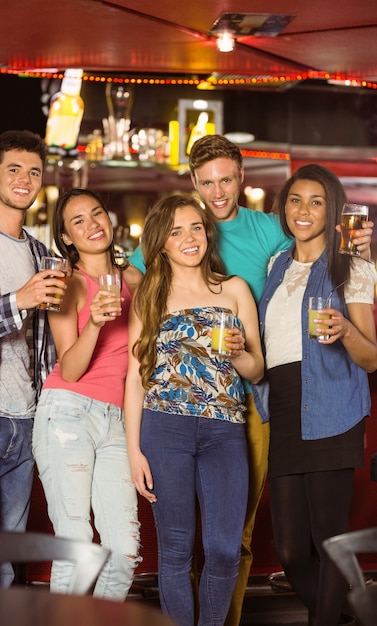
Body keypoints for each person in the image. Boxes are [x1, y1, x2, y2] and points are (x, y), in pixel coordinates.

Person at [129, 134, 373, 625]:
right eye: (207, 182)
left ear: (242, 177)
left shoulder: (275, 239)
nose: (218, 192)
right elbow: (136, 285)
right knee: (257, 545)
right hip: (258, 405)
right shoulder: (263, 263)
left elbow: (325, 251)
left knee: (233, 540)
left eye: (226, 179)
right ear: (194, 183)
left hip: (260, 401)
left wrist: (360, 243)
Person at [124, 193, 264, 626]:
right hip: (164, 429)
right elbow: (134, 378)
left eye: (196, 227)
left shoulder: (235, 288)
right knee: (176, 548)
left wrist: (240, 353)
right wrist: (134, 452)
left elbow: (256, 371)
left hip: (225, 428)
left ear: (207, 233)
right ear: (161, 244)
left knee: (224, 547)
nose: (189, 238)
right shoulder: (150, 292)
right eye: (176, 231)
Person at [253, 164, 377, 626]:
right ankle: (354, 611)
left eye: (316, 201)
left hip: (333, 406)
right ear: (284, 207)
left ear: (333, 209)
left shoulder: (354, 264)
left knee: (329, 540)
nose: (303, 210)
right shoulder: (276, 264)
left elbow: (370, 358)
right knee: (290, 550)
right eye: (295, 200)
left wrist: (344, 329)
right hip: (285, 409)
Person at [0, 129, 63, 588]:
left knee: (7, 561)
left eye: (34, 172)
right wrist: (17, 300)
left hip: (27, 421)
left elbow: (49, 345)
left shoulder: (43, 254)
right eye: (14, 170)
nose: (24, 180)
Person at [32, 188, 142, 599]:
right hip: (67, 413)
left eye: (96, 214)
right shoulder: (67, 284)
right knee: (76, 544)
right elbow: (72, 369)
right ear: (66, 237)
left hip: (118, 419)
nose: (92, 224)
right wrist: (94, 323)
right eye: (78, 221)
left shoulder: (133, 278)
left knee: (124, 551)